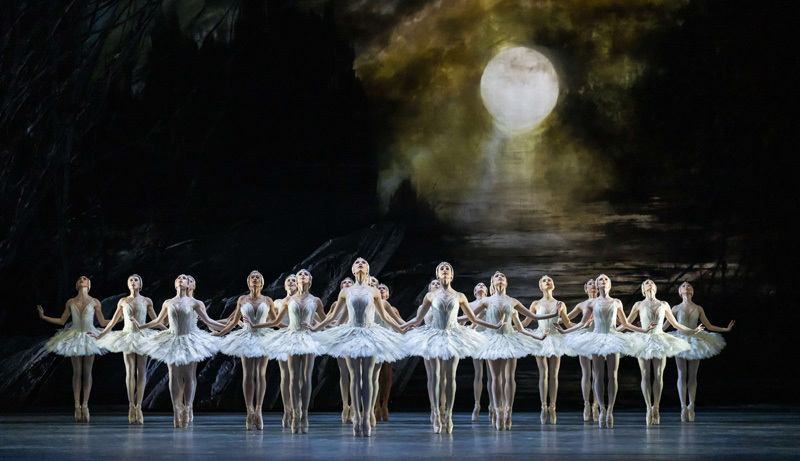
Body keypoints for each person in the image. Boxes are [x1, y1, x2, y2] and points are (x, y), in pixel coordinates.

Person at [307, 258, 407, 437]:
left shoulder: (374, 291)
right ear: (353, 269)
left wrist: (402, 328)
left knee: (368, 377)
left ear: (368, 269)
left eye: (364, 262)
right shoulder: (346, 292)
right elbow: (337, 316)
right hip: (351, 334)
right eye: (357, 262)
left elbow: (385, 316)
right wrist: (315, 327)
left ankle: (367, 415)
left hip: (370, 333)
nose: (360, 263)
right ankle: (357, 415)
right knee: (355, 377)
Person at [400, 262, 504, 434]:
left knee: (449, 376)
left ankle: (447, 415)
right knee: (435, 375)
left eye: (448, 268)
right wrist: (400, 328)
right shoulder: (430, 297)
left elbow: (474, 319)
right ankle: (435, 410)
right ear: (438, 275)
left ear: (452, 275)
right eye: (442, 268)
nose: (445, 270)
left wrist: (494, 326)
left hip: (453, 335)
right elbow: (417, 320)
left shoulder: (460, 296)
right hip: (434, 335)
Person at [557, 274, 654, 428]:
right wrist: (564, 331)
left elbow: (625, 323)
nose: (603, 281)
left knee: (613, 375)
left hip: (613, 338)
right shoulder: (591, 303)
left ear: (610, 284)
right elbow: (582, 323)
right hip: (596, 339)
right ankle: (601, 408)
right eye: (600, 279)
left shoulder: (616, 302)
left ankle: (610, 410)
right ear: (597, 284)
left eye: (606, 279)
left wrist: (643, 330)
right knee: (599, 376)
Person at [132, 274, 222, 428]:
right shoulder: (168, 302)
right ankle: (176, 410)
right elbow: (159, 320)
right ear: (175, 284)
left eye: (184, 279)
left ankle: (187, 408)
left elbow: (208, 320)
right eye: (179, 278)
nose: (181, 279)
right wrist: (141, 326)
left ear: (188, 285)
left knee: (188, 376)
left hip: (189, 339)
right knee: (173, 375)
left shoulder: (195, 303)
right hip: (172, 339)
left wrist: (229, 326)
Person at [245, 269, 325, 434]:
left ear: (309, 280)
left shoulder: (315, 300)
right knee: (291, 376)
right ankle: (293, 413)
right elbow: (274, 320)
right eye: (298, 275)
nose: (300, 276)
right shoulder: (286, 300)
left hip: (307, 339)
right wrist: (255, 325)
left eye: (305, 274)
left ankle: (304, 414)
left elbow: (324, 320)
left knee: (306, 377)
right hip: (289, 337)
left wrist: (337, 325)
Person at [625, 279, 702, 425]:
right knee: (646, 374)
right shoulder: (638, 304)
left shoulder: (664, 304)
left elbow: (675, 323)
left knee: (659, 375)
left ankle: (656, 408)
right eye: (647, 282)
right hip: (644, 341)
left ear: (656, 287)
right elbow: (626, 323)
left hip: (660, 340)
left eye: (652, 282)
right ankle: (648, 408)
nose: (650, 283)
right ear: (643, 288)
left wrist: (692, 330)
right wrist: (636, 330)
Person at [37, 275, 109, 422]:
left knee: (87, 372)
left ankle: (85, 405)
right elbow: (63, 320)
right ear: (77, 284)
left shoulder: (95, 301)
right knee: (77, 372)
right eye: (79, 279)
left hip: (89, 335)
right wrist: (44, 318)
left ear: (89, 284)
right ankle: (76, 405)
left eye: (85, 278)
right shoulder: (70, 301)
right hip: (75, 336)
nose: (82, 279)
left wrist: (119, 319)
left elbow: (102, 322)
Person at [91, 274, 161, 424]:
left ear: (140, 285)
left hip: (142, 336)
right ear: (128, 284)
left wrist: (168, 330)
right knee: (130, 370)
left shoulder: (147, 301)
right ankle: (131, 406)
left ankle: (139, 407)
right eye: (130, 280)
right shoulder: (123, 301)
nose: (133, 282)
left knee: (141, 371)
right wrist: (101, 335)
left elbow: (155, 320)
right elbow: (113, 322)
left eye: (136, 280)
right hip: (128, 336)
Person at [212, 271, 276, 430]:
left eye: (258, 277)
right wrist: (220, 333)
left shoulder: (268, 300)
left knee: (260, 373)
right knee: (248, 373)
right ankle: (249, 411)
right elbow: (233, 321)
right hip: (246, 336)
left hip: (263, 336)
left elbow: (275, 320)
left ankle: (259, 410)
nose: (255, 279)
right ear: (248, 283)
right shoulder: (242, 299)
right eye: (252, 277)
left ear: (261, 282)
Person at [668, 282, 734, 422]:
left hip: (695, 341)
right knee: (681, 373)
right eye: (684, 285)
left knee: (692, 375)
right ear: (680, 291)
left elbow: (708, 325)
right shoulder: (675, 308)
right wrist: (648, 329)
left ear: (693, 290)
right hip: (680, 340)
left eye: (689, 285)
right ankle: (683, 406)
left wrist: (725, 329)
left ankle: (691, 405)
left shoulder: (698, 308)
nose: (687, 287)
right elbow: (665, 326)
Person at [522, 275, 576, 425]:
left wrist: (585, 325)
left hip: (556, 338)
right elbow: (526, 322)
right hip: (541, 338)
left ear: (553, 285)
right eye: (544, 280)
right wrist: (509, 327)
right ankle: (543, 407)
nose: (548, 281)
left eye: (550, 280)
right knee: (543, 373)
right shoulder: (535, 304)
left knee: (554, 375)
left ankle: (553, 407)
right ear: (540, 286)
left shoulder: (560, 304)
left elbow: (568, 323)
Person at [564, 279, 600, 421]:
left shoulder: (602, 301)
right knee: (586, 373)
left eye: (595, 284)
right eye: (590, 284)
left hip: (599, 338)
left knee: (597, 373)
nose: (593, 286)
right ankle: (586, 404)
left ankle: (596, 405)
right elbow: (566, 319)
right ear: (585, 288)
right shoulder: (582, 304)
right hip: (584, 338)